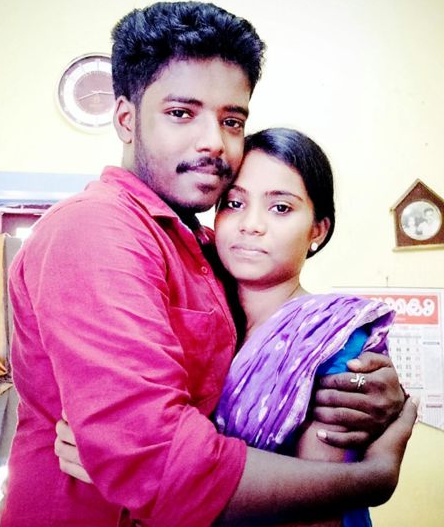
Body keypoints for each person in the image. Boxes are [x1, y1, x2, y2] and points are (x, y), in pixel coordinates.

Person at [0, 1, 415, 527]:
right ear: (126, 119)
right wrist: (371, 479)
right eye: (181, 113)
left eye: (231, 120)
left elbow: (282, 355)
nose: (214, 142)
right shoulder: (94, 230)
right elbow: (157, 462)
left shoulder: (204, 248)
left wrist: (375, 392)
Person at [57, 128, 405, 527]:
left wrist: (138, 478)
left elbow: (316, 517)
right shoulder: (194, 314)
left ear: (318, 229)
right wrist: (125, 455)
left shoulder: (331, 340)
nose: (250, 224)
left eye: (280, 208)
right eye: (235, 203)